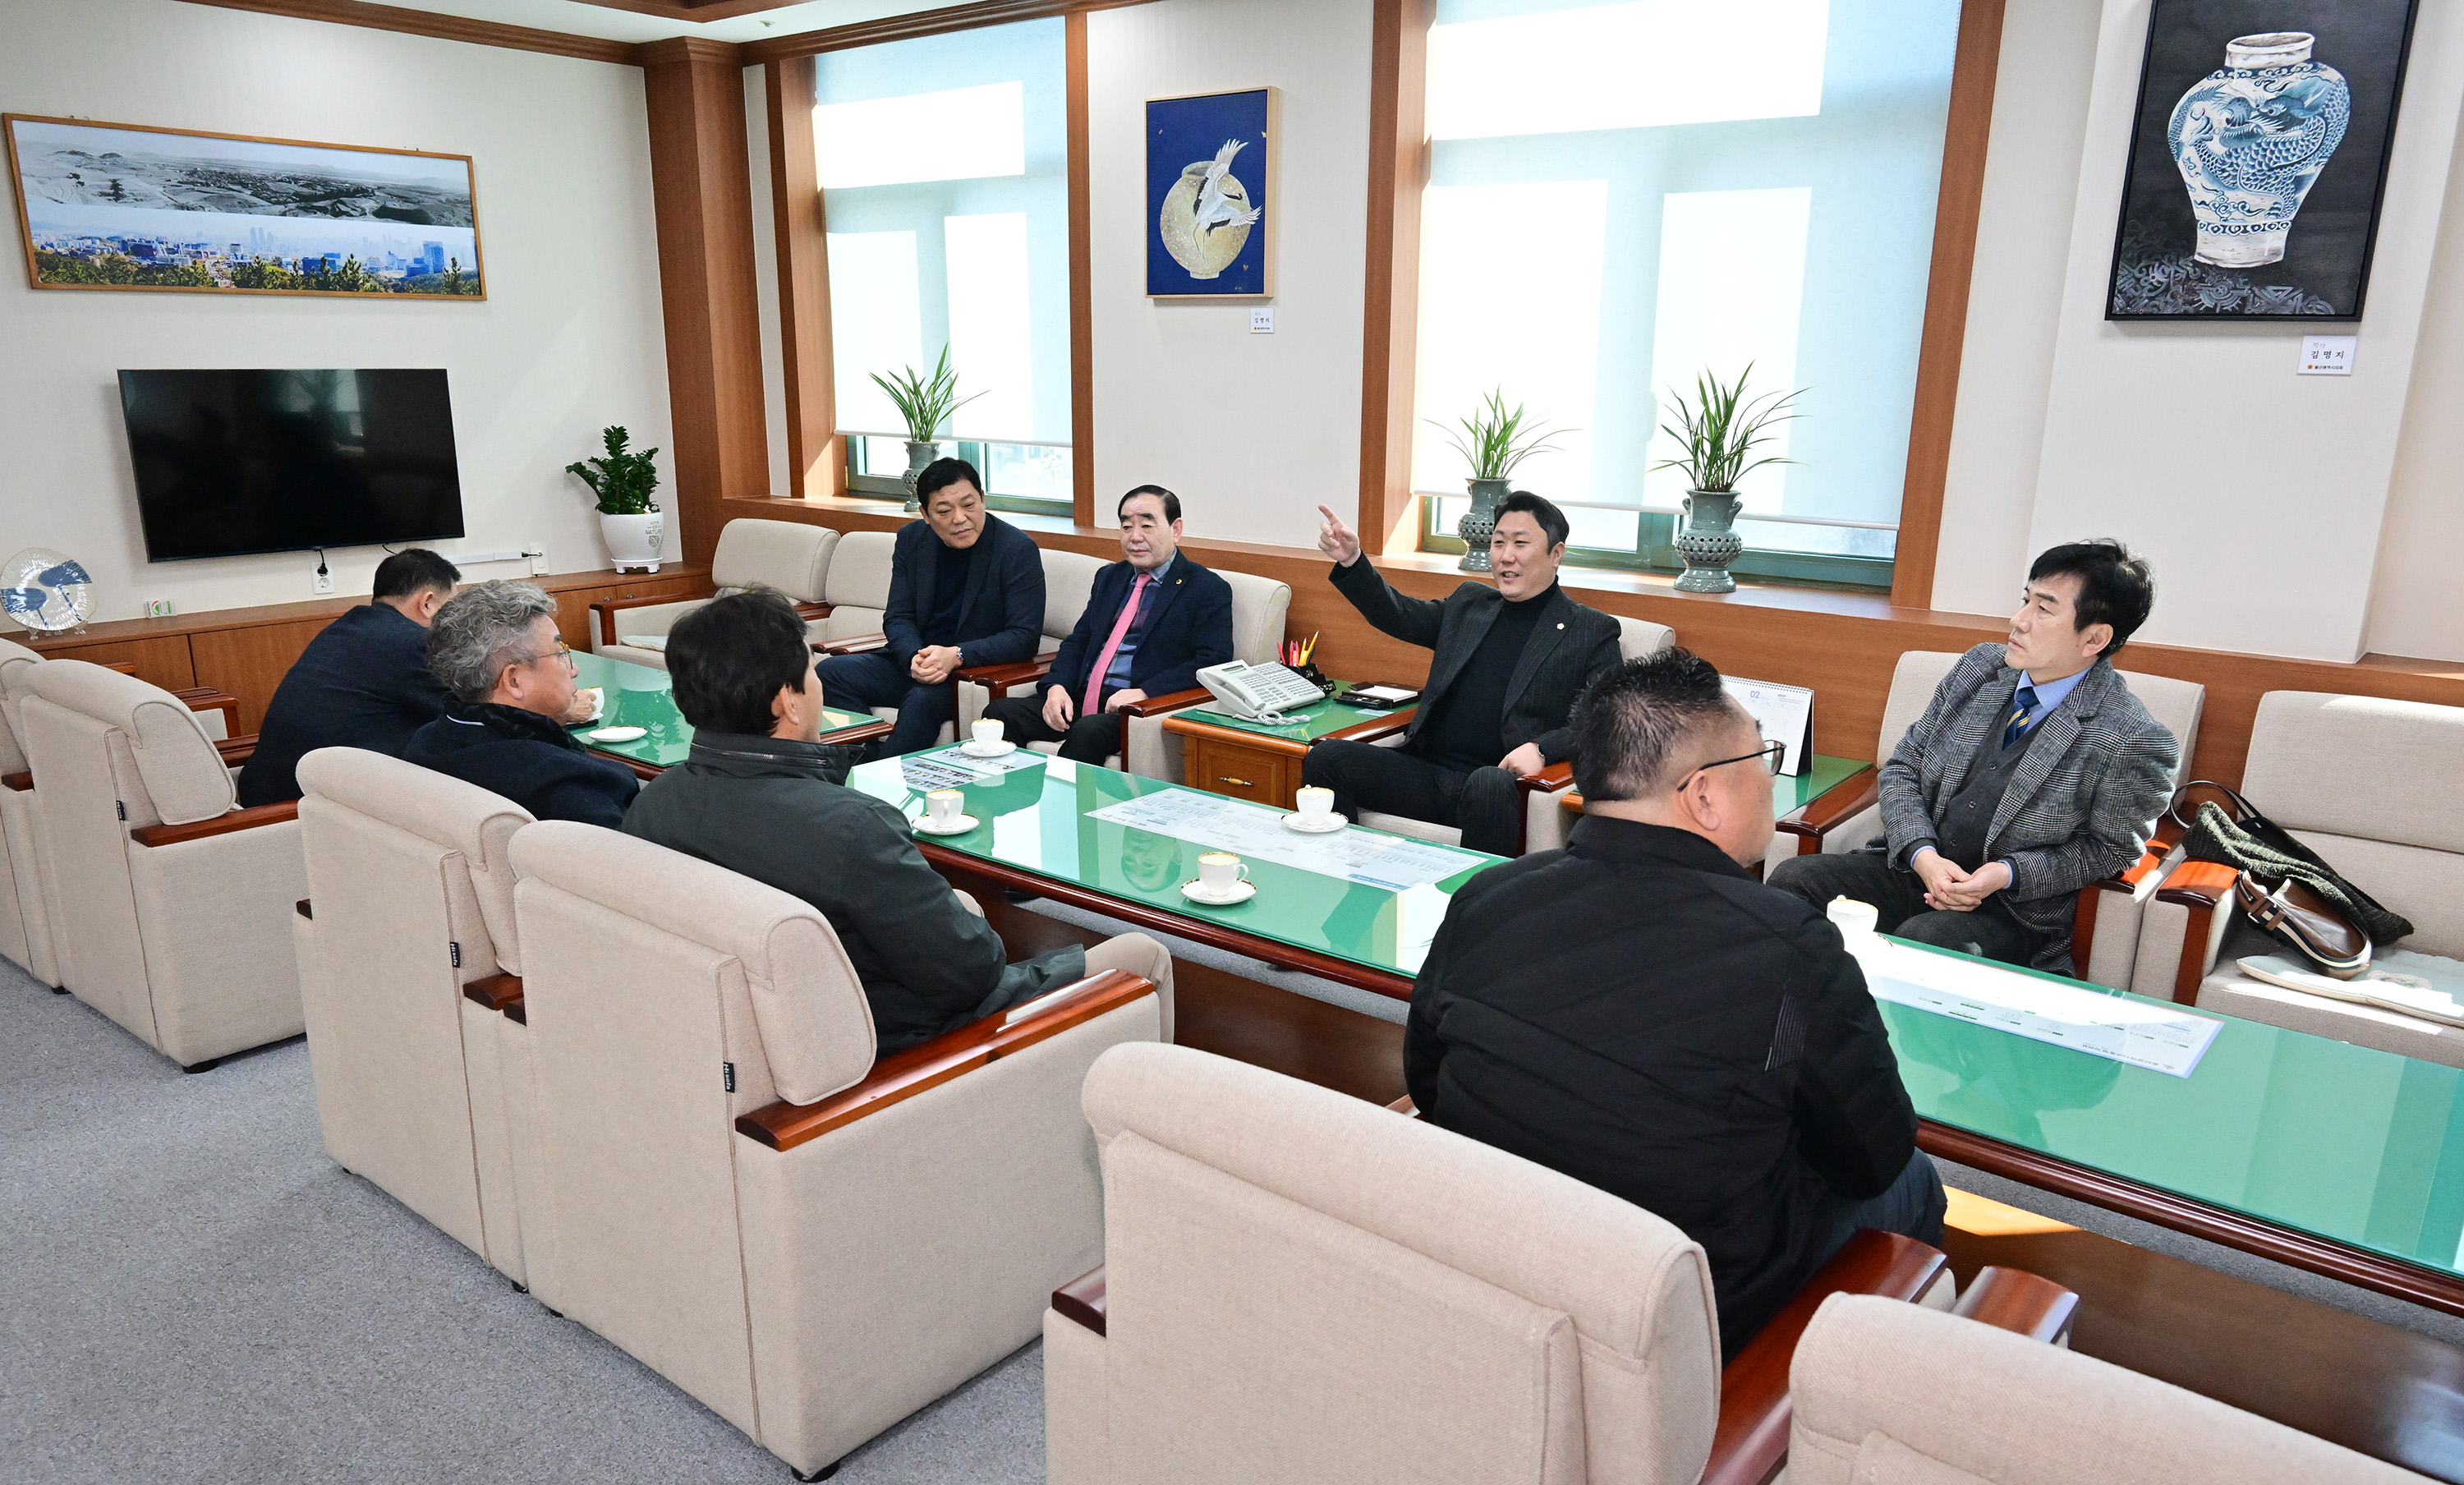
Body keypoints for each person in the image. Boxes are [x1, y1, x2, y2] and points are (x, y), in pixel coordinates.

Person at [1405, 648, 1938, 1360]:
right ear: (1706, 795)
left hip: (1504, 1259)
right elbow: (1871, 1160)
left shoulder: (1487, 896)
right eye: (1764, 758)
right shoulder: (1789, 947)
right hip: (1682, 1315)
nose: (1771, 781)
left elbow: (1428, 1083)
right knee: (1916, 1182)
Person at [627, 588, 1175, 1053]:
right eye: (810, 672)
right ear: (788, 703)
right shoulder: (852, 829)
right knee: (1144, 955)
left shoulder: (654, 803)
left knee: (961, 907)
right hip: (895, 1045)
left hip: (764, 1032)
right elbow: (975, 975)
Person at [1768, 540, 2177, 974]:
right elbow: (1903, 767)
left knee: (1926, 943)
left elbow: (2110, 851)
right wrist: (1923, 854)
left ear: (2094, 638)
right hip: (1915, 871)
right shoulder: (1980, 668)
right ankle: (1794, 1025)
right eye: (2025, 600)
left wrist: (2006, 873)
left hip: (2010, 911)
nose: (2018, 621)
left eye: (2044, 609)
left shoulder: (2131, 736)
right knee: (1793, 882)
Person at [1303, 493, 1620, 856]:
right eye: (1498, 543)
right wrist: (1352, 561)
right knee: (1325, 759)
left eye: (1520, 543)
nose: (1505, 555)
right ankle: (1342, 884)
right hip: (1425, 774)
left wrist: (1543, 749)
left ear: (1556, 554)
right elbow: (1400, 614)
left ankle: (1475, 908)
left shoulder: (1590, 630)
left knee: (1488, 783)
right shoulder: (1471, 603)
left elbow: (1609, 718)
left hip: (1497, 787)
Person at [979, 485, 1233, 763]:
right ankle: (1009, 797)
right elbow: (1080, 639)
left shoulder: (1206, 588)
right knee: (999, 714)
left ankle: (1062, 804)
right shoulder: (1111, 577)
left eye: (1147, 525)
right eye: (1126, 527)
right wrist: (1057, 687)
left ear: (1176, 529)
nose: (1135, 537)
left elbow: (1212, 661)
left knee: (1089, 731)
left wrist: (1145, 693)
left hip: (1135, 707)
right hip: (1081, 697)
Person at [816, 458, 1046, 756]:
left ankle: (879, 777)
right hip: (917, 663)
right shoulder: (912, 541)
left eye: (969, 505)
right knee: (831, 672)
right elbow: (899, 616)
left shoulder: (1016, 550)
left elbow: (1023, 637)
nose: (960, 519)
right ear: (925, 514)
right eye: (944, 511)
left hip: (968, 674)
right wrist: (914, 657)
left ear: (983, 498)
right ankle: (864, 759)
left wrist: (957, 655)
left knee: (922, 700)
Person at [403, 579, 638, 827]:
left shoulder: (425, 742)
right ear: (514, 681)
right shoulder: (563, 784)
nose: (574, 670)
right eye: (561, 654)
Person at [237, 548, 460, 807]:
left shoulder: (347, 628)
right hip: (306, 807)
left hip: (265, 789)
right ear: (428, 603)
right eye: (451, 607)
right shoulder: (410, 642)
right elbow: (468, 712)